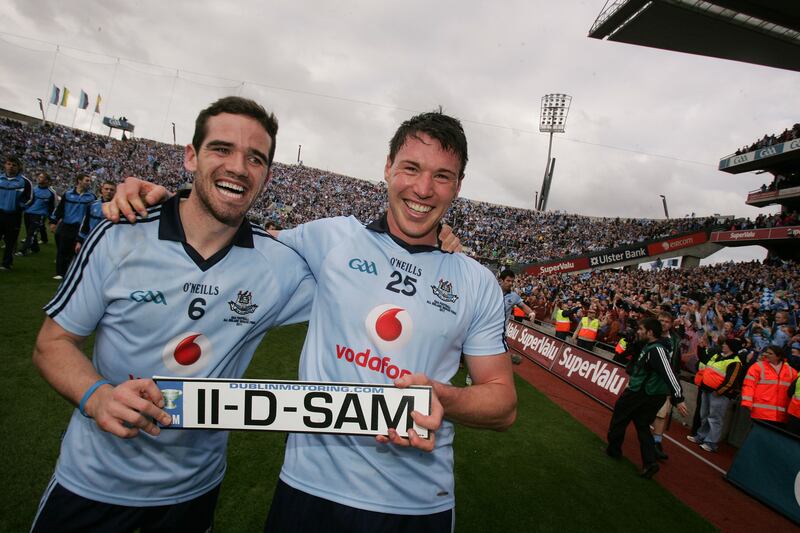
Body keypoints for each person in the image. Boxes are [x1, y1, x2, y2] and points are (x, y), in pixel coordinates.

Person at [109, 111, 517, 532]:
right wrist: (167, 202)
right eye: (410, 168)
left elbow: (502, 403)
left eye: (442, 176)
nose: (423, 188)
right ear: (388, 168)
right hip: (310, 489)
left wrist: (444, 398)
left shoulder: (476, 282)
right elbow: (226, 244)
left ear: (458, 186)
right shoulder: (330, 239)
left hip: (416, 505)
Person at [30, 97, 316, 533]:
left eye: (254, 158)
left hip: (193, 494)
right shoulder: (120, 236)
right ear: (190, 157)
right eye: (221, 149)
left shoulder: (281, 265)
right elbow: (52, 343)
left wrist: (442, 248)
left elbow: (361, 283)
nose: (238, 167)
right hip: (93, 485)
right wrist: (99, 396)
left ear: (266, 175)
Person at [605, 317, 688, 479]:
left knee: (620, 417)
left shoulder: (657, 350)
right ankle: (649, 463)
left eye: (642, 330)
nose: (638, 331)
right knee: (642, 426)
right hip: (646, 393)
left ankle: (614, 450)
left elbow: (669, 373)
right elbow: (624, 356)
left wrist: (678, 397)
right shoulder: (649, 346)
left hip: (641, 393)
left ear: (650, 332)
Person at [686, 338, 743, 452]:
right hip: (706, 389)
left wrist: (719, 391)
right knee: (704, 414)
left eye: (726, 344)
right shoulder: (718, 355)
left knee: (715, 418)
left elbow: (731, 381)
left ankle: (711, 442)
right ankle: (701, 436)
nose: (723, 346)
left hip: (719, 394)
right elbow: (705, 359)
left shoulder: (735, 362)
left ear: (731, 347)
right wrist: (701, 348)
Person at [49, 173, 96, 280]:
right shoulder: (68, 194)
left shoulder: (91, 197)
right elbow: (60, 209)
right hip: (66, 225)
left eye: (89, 181)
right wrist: (54, 221)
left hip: (80, 228)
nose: (89, 183)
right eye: (87, 180)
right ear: (79, 181)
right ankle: (60, 273)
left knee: (76, 251)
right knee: (62, 249)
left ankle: (73, 272)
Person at [651, 311, 682, 459]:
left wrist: (674, 385)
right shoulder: (649, 333)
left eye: (666, 321)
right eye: (661, 320)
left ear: (671, 324)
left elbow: (676, 364)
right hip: (646, 378)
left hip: (664, 382)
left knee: (662, 414)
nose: (663, 323)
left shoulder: (675, 340)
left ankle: (657, 443)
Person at [740, 344, 797, 425]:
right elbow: (749, 385)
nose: (766, 355)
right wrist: (747, 402)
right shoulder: (757, 367)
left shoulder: (791, 372)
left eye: (770, 354)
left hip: (781, 416)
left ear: (778, 356)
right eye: (766, 353)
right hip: (761, 412)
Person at [0, 155, 32, 270]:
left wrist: (19, 207)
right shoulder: (0, 178)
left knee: (10, 241)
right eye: (8, 164)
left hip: (13, 216)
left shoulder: (24, 182)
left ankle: (6, 264)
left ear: (19, 167)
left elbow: (30, 198)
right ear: (5, 165)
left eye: (14, 165)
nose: (11, 167)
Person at [499, 268, 535, 365]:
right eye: (508, 281)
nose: (510, 283)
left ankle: (507, 357)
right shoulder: (492, 291)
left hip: (501, 332)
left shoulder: (514, 296)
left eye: (512, 281)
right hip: (485, 328)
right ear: (501, 280)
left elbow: (523, 306)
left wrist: (531, 313)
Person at [18, 172, 56, 256]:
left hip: (39, 216)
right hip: (28, 213)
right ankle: (35, 248)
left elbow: (52, 207)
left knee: (31, 233)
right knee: (30, 233)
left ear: (47, 181)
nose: (39, 178)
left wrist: (52, 220)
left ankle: (23, 250)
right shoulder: (33, 189)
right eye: (39, 177)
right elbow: (27, 200)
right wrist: (24, 207)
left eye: (41, 177)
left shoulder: (51, 192)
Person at [76, 180, 116, 252]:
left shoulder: (119, 208)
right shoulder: (92, 205)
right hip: (91, 240)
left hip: (109, 243)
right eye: (106, 189)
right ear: (102, 190)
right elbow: (85, 224)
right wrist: (79, 241)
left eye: (112, 190)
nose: (109, 191)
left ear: (115, 192)